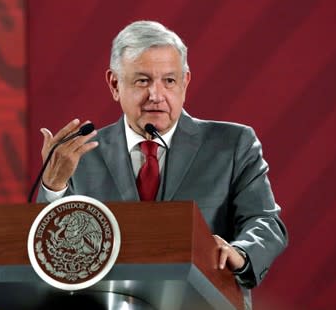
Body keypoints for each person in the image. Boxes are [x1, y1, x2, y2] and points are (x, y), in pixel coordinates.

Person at [37, 20, 287, 306]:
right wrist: (52, 186)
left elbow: (265, 222)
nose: (156, 95)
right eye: (142, 80)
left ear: (185, 83)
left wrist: (240, 253)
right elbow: (45, 247)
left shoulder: (232, 144)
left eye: (168, 80)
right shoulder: (80, 154)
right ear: (115, 83)